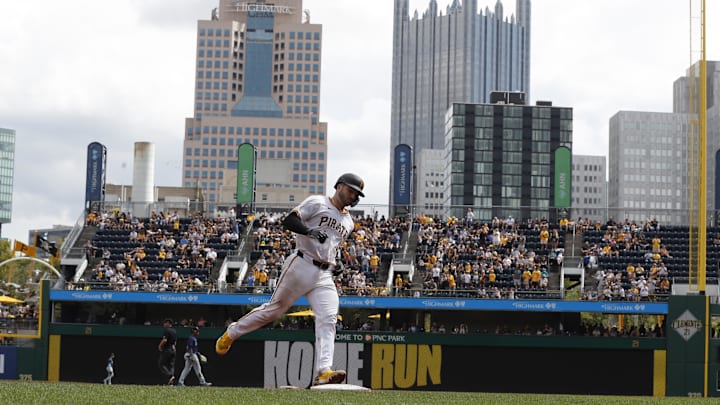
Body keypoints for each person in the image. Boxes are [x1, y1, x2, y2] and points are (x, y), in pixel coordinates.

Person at [215, 173, 365, 386]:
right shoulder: (317, 202)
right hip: (301, 264)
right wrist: (310, 231)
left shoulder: (348, 221)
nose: (353, 196)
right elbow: (290, 220)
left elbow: (332, 244)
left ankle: (323, 371)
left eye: (357, 194)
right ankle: (232, 332)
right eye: (351, 190)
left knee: (329, 318)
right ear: (339, 186)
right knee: (274, 311)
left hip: (324, 274)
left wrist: (336, 261)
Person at [158, 318, 177, 385]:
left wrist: (160, 346)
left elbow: (164, 340)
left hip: (167, 349)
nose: (164, 324)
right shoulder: (174, 331)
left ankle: (170, 376)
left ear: (169, 323)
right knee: (171, 365)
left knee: (161, 364)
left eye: (165, 323)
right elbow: (175, 342)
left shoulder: (167, 331)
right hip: (173, 349)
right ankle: (171, 381)